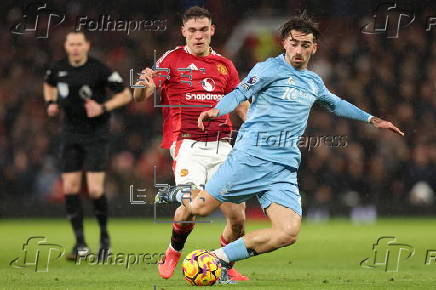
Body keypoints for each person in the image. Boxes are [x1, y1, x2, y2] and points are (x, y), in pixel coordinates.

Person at [157, 14, 404, 281]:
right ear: (285, 43)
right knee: (200, 208)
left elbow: (336, 103)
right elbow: (239, 93)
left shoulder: (313, 82)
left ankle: (218, 259)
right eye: (294, 43)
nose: (299, 50)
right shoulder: (267, 69)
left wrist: (372, 119)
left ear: (314, 48)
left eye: (305, 45)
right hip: (249, 158)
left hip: (282, 168)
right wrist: (217, 110)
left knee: (288, 232)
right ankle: (172, 194)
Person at [134, 6, 249, 281]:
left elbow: (240, 104)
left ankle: (223, 263)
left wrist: (258, 125)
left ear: (212, 31)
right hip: (187, 145)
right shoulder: (172, 59)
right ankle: (173, 251)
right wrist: (142, 84)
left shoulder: (225, 65)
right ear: (183, 31)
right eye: (192, 30)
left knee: (238, 219)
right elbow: (143, 94)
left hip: (223, 146)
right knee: (195, 206)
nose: (198, 36)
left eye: (203, 30)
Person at [43, 30, 132, 261]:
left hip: (96, 135)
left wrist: (102, 108)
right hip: (70, 134)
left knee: (94, 190)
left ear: (87, 46)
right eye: (71, 44)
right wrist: (51, 103)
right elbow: (48, 84)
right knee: (70, 188)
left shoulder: (99, 70)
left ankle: (104, 239)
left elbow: (125, 94)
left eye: (79, 44)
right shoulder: (58, 68)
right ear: (65, 46)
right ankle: (80, 243)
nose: (75, 48)